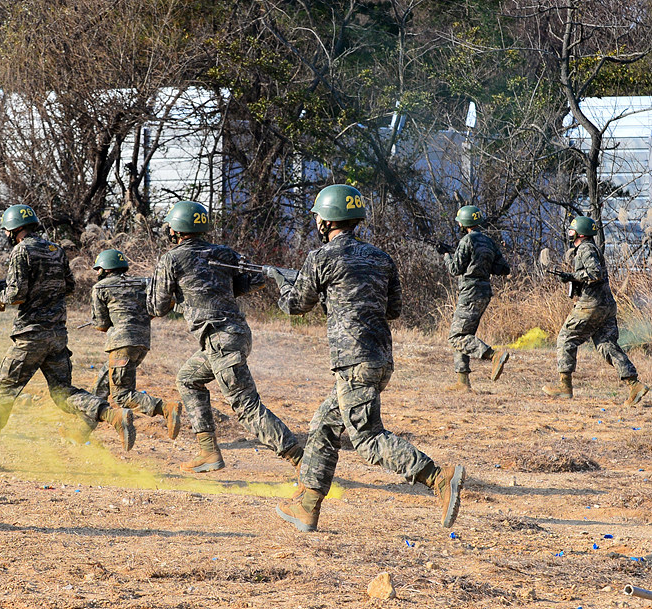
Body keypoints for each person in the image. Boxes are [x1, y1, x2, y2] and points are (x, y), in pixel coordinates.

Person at [269, 184, 465, 532]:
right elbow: (394, 310)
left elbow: (295, 305)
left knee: (367, 437)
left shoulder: (321, 258)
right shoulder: (381, 258)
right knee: (324, 426)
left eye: (317, 214)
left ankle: (437, 477)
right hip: (379, 358)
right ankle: (307, 504)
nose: (315, 219)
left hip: (353, 361)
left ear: (327, 220)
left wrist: (281, 282)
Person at [0, 204, 135, 468]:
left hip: (30, 336)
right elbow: (68, 287)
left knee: (3, 392)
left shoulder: (20, 251)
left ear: (13, 229)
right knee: (63, 392)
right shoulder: (56, 250)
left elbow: (16, 295)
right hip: (57, 335)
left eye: (6, 229)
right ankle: (111, 415)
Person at [147, 200, 304, 473]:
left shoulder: (171, 259)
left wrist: (163, 291)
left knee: (246, 407)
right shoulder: (223, 253)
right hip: (233, 336)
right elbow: (244, 284)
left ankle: (304, 462)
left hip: (220, 341)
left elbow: (157, 307)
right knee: (188, 379)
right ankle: (208, 452)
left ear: (176, 230)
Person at [542, 216, 649, 406]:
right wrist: (572, 279)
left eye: (573, 230)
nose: (570, 232)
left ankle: (564, 387)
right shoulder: (590, 248)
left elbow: (595, 273)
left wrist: (572, 276)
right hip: (606, 305)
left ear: (581, 233)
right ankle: (635, 385)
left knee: (566, 338)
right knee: (606, 345)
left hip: (591, 305)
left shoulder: (585, 248)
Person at [89, 248, 182, 438]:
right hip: (141, 343)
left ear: (106, 269)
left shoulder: (101, 288)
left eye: (99, 269)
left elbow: (101, 325)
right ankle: (79, 431)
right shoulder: (143, 283)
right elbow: (164, 303)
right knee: (102, 384)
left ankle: (165, 408)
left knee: (121, 395)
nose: (98, 273)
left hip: (120, 344)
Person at [442, 204, 512, 392]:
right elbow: (504, 269)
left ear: (464, 223)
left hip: (470, 292)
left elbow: (455, 269)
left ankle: (493, 355)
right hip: (484, 291)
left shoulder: (467, 240)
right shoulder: (489, 241)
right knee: (465, 334)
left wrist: (447, 256)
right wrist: (483, 263)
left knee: (457, 336)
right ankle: (462, 382)